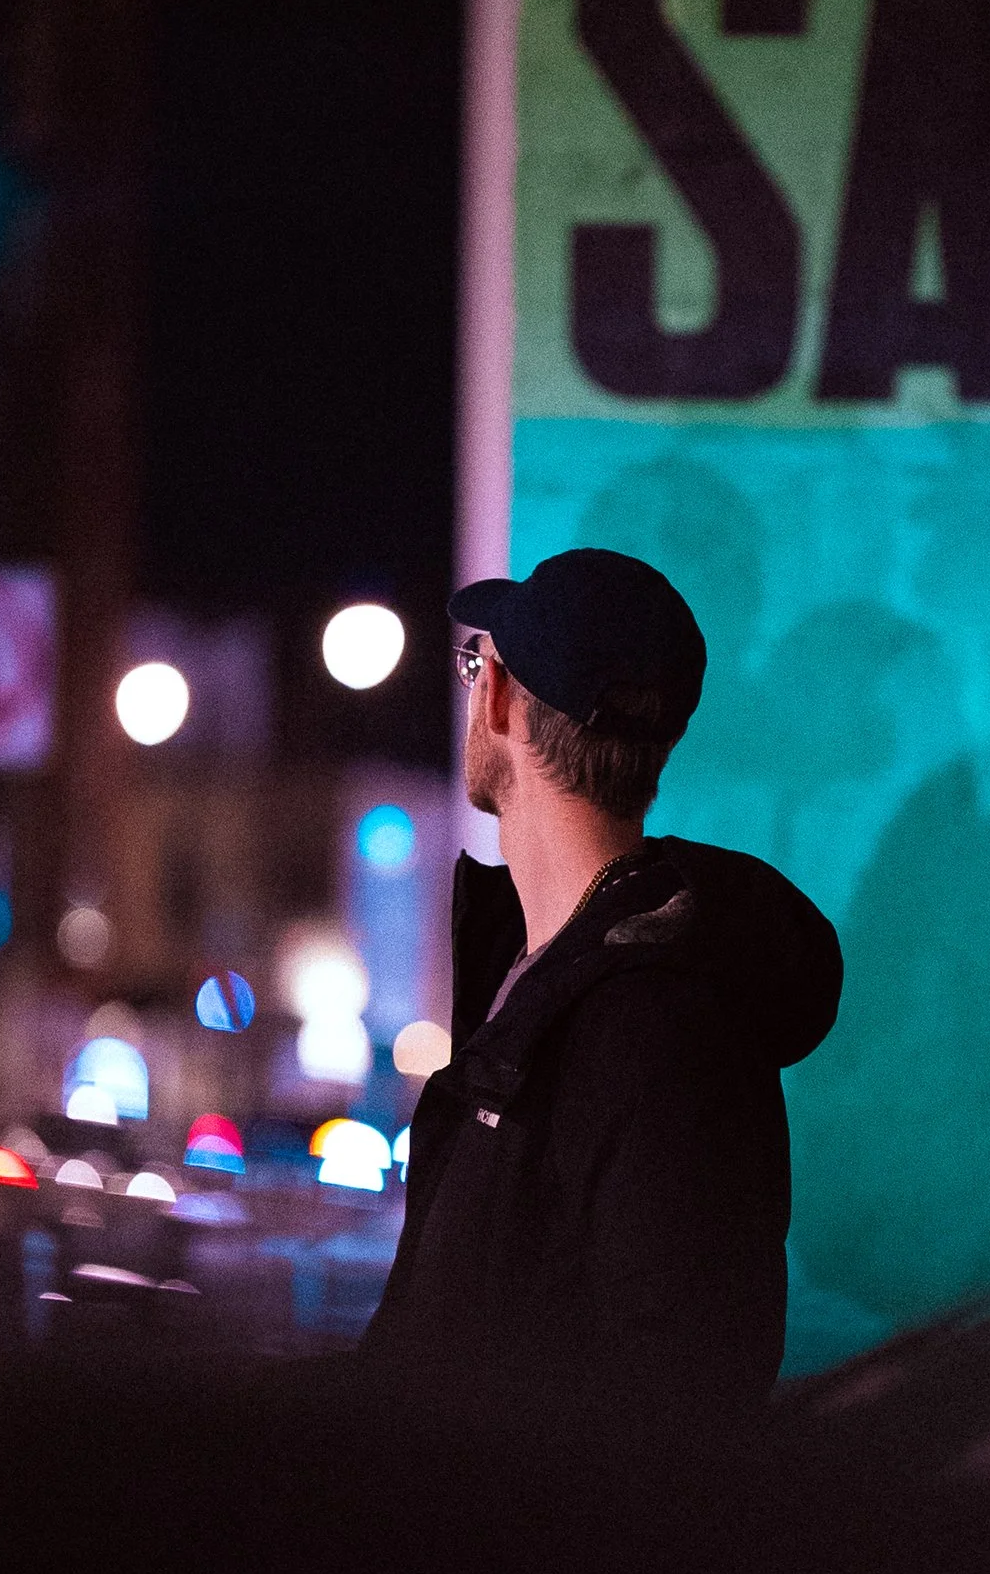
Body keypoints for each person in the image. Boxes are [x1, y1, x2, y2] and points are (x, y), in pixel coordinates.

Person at [358, 547, 841, 1456]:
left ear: (497, 697)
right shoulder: (540, 983)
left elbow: (677, 1421)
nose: (470, 689)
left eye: (475, 664)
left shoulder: (663, 1036)